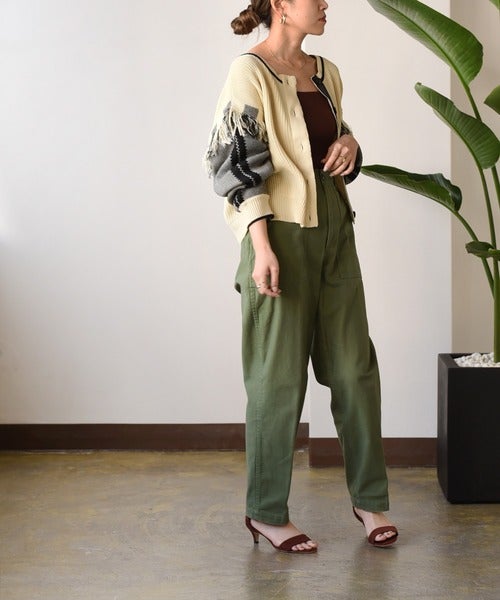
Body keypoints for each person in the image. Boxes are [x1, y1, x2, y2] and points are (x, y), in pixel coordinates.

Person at [204, 0, 398, 553]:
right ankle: (266, 512)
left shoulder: (326, 72)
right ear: (283, 6)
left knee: (355, 368)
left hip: (336, 229)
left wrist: (350, 144)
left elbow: (333, 138)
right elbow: (233, 161)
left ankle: (370, 499)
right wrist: (261, 245)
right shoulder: (249, 71)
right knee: (278, 377)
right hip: (279, 233)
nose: (327, 3)